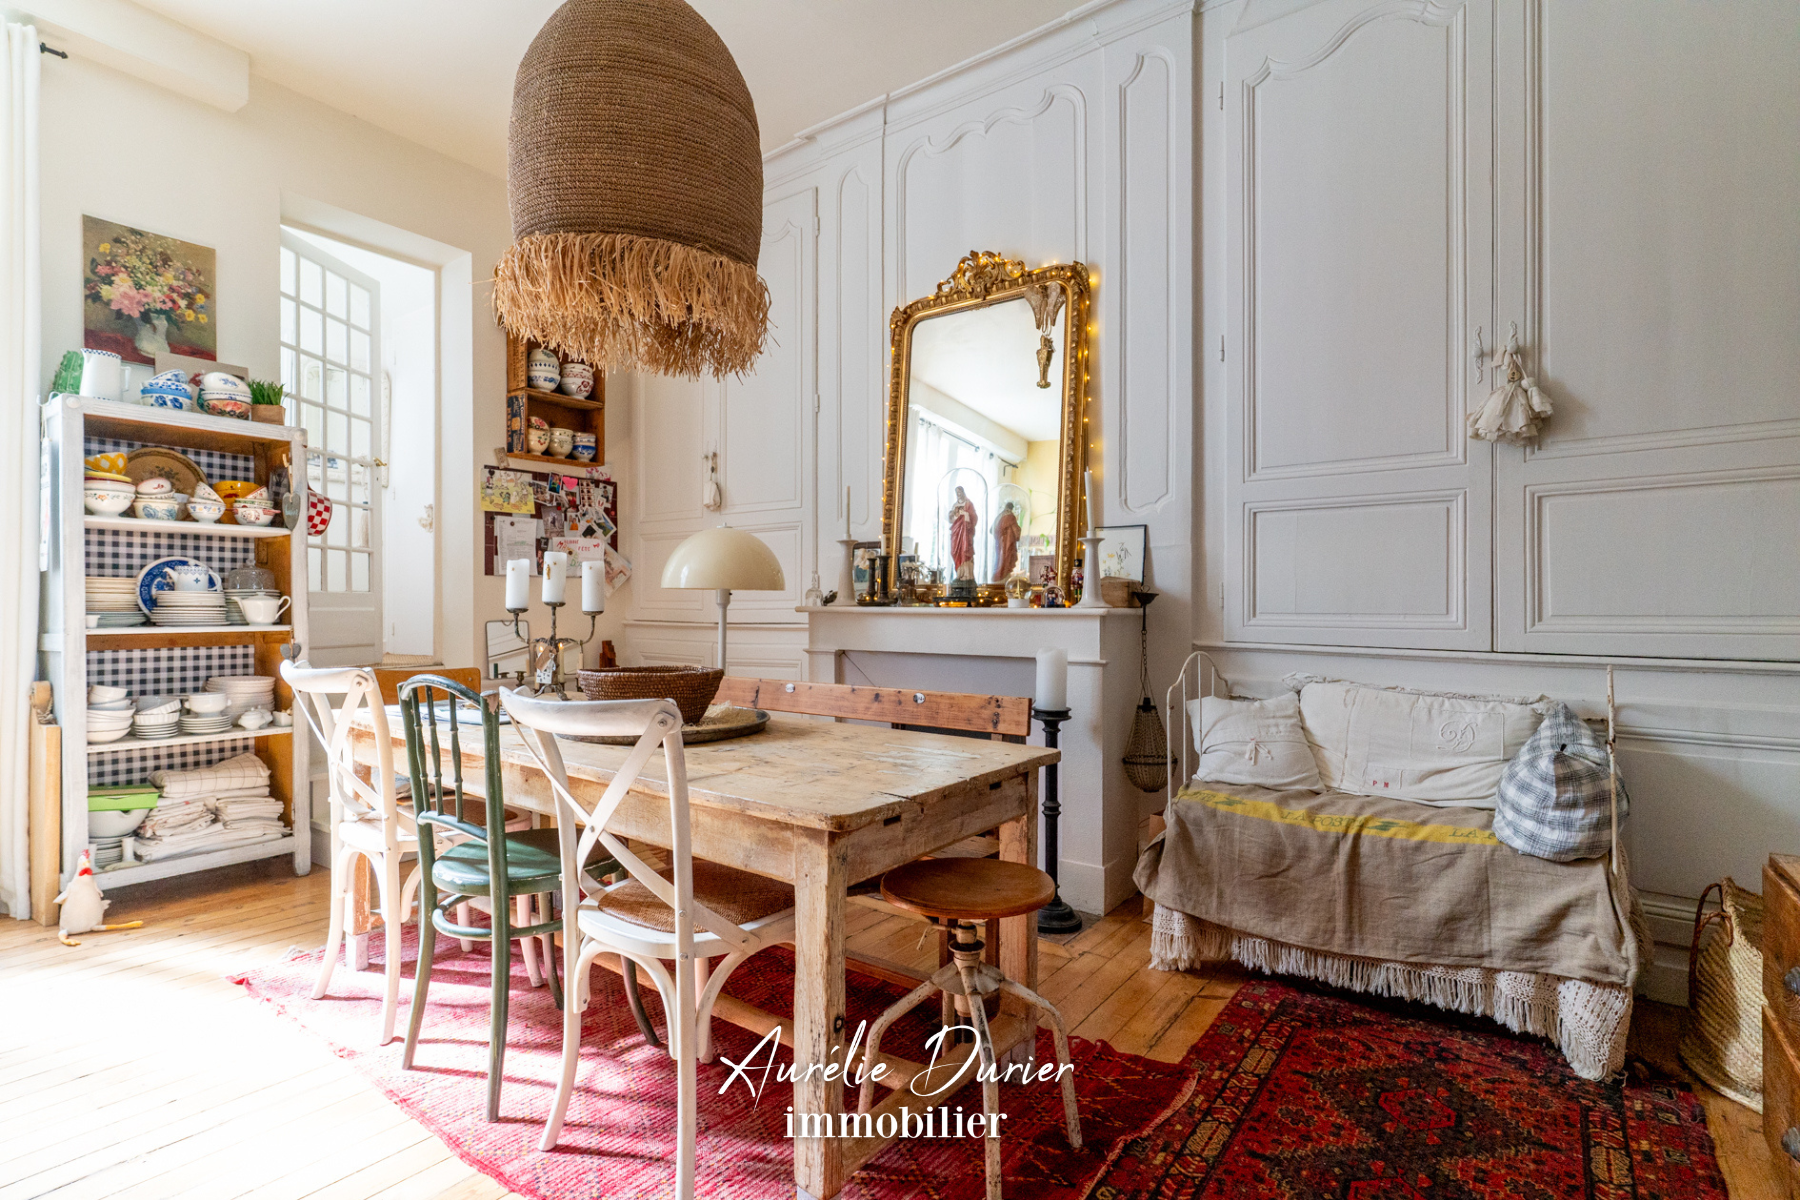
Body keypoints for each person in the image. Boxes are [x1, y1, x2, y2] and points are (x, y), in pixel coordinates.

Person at [948, 486, 977, 582]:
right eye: (957, 493)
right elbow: (951, 519)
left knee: (965, 550)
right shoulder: (955, 505)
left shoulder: (968, 504)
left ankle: (967, 575)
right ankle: (959, 573)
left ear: (963, 492)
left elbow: (973, 518)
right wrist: (953, 515)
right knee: (954, 551)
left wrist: (965, 514)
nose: (959, 494)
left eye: (960, 492)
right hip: (956, 531)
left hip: (965, 532)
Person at [992, 501, 1021, 582]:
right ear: (1011, 508)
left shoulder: (1000, 515)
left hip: (999, 542)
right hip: (1007, 542)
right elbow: (1015, 530)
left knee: (1000, 559)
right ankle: (1002, 576)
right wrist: (1018, 531)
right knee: (1006, 559)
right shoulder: (1010, 516)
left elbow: (992, 529)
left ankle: (1001, 576)